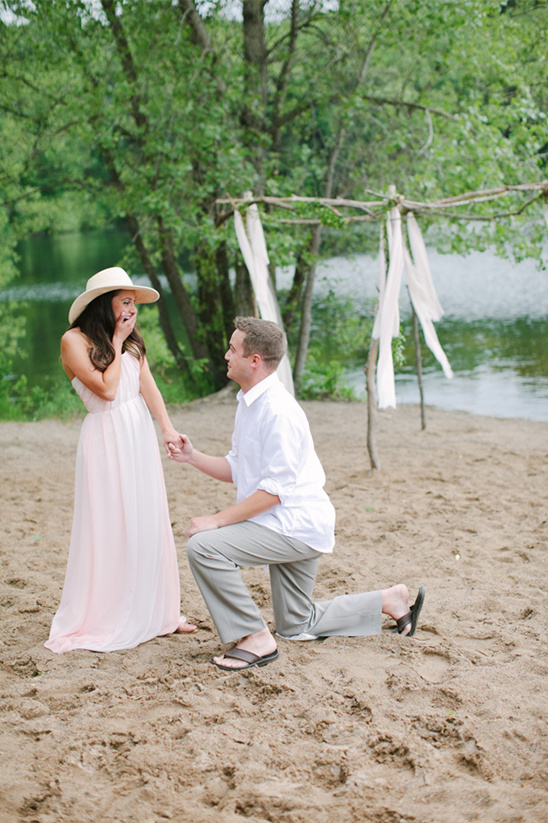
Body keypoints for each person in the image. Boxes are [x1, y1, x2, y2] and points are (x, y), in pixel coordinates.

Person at [168, 316, 424, 671]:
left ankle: (254, 636)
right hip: (284, 523)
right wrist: (192, 457)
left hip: (294, 525)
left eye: (232, 348)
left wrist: (216, 520)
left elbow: (273, 493)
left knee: (204, 547)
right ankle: (389, 600)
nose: (226, 355)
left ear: (254, 360)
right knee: (296, 624)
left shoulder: (279, 411)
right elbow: (238, 467)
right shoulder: (249, 402)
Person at [45, 266, 196, 653]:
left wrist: (166, 427)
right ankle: (111, 613)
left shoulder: (132, 343)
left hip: (137, 435)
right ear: (103, 304)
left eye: (133, 303)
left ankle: (159, 611)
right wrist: (116, 337)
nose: (132, 310)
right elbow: (108, 390)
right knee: (113, 523)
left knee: (147, 518)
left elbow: (148, 387)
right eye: (125, 302)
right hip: (105, 438)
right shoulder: (73, 341)